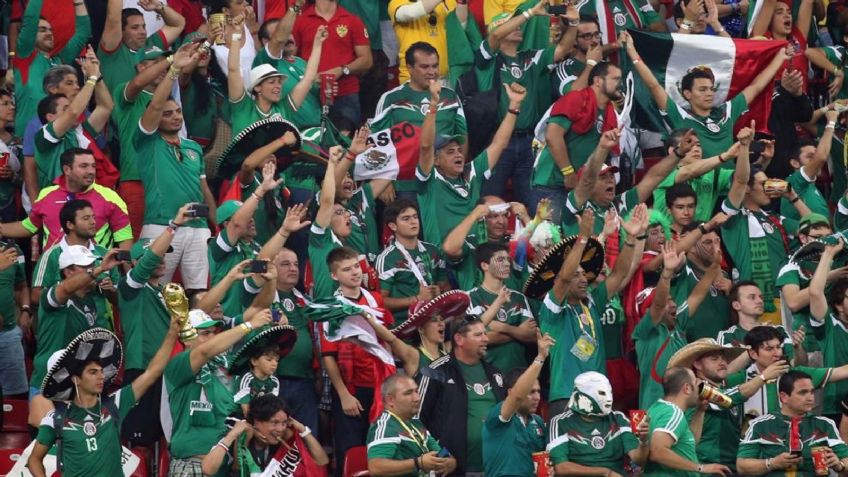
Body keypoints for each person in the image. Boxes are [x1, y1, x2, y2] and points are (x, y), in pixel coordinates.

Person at [27, 323, 178, 477]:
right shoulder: (55, 419)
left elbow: (152, 372)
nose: (101, 376)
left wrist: (172, 333)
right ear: (76, 379)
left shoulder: (115, 403)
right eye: (93, 372)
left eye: (101, 371)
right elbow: (34, 460)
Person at [539, 205, 643, 416]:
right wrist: (583, 238)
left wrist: (631, 239)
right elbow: (565, 277)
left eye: (583, 274)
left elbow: (619, 274)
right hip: (567, 395)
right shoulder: (551, 310)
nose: (583, 279)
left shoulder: (592, 303)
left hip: (599, 396)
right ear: (558, 281)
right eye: (576, 275)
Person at [476, 1, 578, 206]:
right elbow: (494, 36)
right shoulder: (488, 59)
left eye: (518, 24)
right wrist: (531, 12)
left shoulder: (530, 58)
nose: (519, 27)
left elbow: (564, 48)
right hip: (498, 142)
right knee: (490, 204)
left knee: (536, 207)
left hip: (529, 142)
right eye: (512, 24)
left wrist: (574, 22)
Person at [136, 42, 216, 292]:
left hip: (198, 228)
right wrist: (173, 71)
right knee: (155, 289)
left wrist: (214, 225)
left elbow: (204, 189)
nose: (176, 117)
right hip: (162, 224)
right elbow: (156, 105)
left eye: (178, 112)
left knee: (199, 292)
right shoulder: (146, 141)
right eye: (168, 113)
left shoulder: (193, 147)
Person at [164, 298, 274, 476]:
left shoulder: (223, 367)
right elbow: (204, 351)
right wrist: (249, 325)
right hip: (192, 466)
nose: (211, 337)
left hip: (224, 466)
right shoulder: (177, 365)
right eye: (204, 333)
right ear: (185, 338)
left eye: (212, 332)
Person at [417, 79, 526, 245]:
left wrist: (514, 106)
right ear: (436, 160)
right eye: (450, 152)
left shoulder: (472, 171)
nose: (458, 154)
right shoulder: (429, 180)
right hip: (444, 260)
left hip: (476, 256)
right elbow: (425, 147)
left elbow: (499, 144)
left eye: (459, 150)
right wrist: (433, 104)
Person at [118, 204, 191, 446]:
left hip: (168, 371)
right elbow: (147, 262)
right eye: (156, 257)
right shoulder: (130, 288)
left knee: (166, 440)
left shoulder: (166, 291)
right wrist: (174, 226)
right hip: (142, 368)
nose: (162, 260)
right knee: (140, 441)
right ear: (138, 262)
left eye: (165, 255)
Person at [28, 247, 122, 428]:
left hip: (77, 386)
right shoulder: (53, 295)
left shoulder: (91, 301)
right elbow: (65, 287)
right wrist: (99, 269)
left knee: (77, 446)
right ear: (68, 271)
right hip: (46, 384)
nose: (92, 269)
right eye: (85, 266)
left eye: (92, 264)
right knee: (48, 445)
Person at [666, 338, 789, 470]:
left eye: (724, 358)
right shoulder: (697, 388)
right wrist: (763, 377)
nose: (722, 362)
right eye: (714, 359)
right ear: (698, 365)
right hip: (707, 467)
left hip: (728, 466)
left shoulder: (722, 388)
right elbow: (726, 399)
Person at [321, 246, 391, 477]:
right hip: (352, 390)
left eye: (356, 267)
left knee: (382, 450)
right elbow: (328, 356)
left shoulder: (376, 299)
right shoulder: (330, 308)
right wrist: (343, 395)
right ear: (334, 275)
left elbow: (387, 341)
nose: (354, 273)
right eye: (346, 269)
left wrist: (388, 385)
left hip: (380, 386)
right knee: (351, 452)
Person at [370, 42, 467, 201]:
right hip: (406, 183)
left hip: (444, 181)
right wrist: (383, 181)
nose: (432, 72)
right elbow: (377, 142)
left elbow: (463, 136)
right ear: (409, 68)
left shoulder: (450, 97)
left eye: (435, 66)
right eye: (425, 67)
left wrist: (458, 173)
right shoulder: (391, 99)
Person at [634, 241, 721, 409]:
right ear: (647, 312)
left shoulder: (679, 324)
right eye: (667, 302)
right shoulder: (644, 333)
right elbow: (658, 306)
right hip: (655, 411)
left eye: (672, 299)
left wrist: (714, 266)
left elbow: (697, 295)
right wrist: (666, 272)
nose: (673, 305)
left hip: (684, 409)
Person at [417, 317, 506, 475]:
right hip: (454, 470)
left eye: (485, 333)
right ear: (459, 339)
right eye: (478, 335)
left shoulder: (495, 373)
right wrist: (442, 456)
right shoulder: (435, 371)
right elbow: (417, 423)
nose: (486, 338)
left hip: (495, 468)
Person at [244, 247, 319, 434]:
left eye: (295, 264)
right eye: (285, 264)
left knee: (307, 435)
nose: (293, 268)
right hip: (273, 380)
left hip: (304, 380)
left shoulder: (304, 300)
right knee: (276, 436)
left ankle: (308, 465)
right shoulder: (260, 297)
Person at [0, 148, 132, 250]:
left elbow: (125, 240)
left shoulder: (110, 197)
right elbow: (29, 227)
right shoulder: (46, 195)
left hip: (94, 273)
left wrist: (129, 281)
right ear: (67, 169)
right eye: (84, 166)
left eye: (93, 166)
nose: (91, 171)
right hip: (53, 273)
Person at [531, 63, 622, 210]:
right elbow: (552, 136)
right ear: (598, 81)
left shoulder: (610, 115)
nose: (620, 84)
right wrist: (568, 173)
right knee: (549, 233)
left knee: (575, 234)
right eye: (616, 79)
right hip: (552, 184)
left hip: (579, 189)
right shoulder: (575, 99)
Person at [228, 19, 328, 136]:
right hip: (243, 154)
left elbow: (308, 79)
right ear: (257, 87)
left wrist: (317, 44)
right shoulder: (242, 106)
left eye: (279, 82)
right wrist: (236, 35)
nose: (278, 86)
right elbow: (233, 70)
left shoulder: (283, 109)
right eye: (272, 82)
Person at [738, 370, 848, 475]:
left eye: (812, 392)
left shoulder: (825, 424)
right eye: (803, 393)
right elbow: (742, 467)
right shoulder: (760, 425)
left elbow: (846, 460)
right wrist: (772, 463)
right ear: (784, 397)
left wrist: (840, 465)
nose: (810, 398)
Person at [725, 325, 848, 418]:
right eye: (769, 349)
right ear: (753, 353)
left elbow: (841, 371)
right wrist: (763, 377)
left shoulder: (795, 374)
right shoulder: (741, 378)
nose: (777, 353)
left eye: (778, 347)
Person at [33, 48, 112, 192]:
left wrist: (97, 74)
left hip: (86, 201)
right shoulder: (42, 133)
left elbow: (106, 107)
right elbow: (73, 112)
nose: (77, 87)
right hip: (58, 205)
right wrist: (92, 79)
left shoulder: (80, 129)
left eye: (77, 83)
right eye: (70, 83)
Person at [548, 372, 650, 476]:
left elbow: (638, 460)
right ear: (583, 396)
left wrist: (644, 440)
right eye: (602, 393)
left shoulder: (618, 418)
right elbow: (561, 467)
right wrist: (605, 473)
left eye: (610, 392)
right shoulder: (560, 423)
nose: (609, 398)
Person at [482, 332, 555, 477]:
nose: (537, 397)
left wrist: (550, 469)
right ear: (510, 392)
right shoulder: (496, 417)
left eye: (538, 392)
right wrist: (540, 358)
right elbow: (517, 396)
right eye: (531, 391)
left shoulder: (538, 422)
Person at [201, 394, 329, 476]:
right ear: (257, 421)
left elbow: (322, 461)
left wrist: (302, 429)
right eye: (274, 422)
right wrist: (232, 435)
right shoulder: (240, 436)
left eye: (284, 423)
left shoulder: (285, 441)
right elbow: (208, 469)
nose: (280, 428)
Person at [12, 0, 90, 135]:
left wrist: (78, 2)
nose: (49, 33)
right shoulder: (24, 57)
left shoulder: (61, 60)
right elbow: (30, 20)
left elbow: (83, 33)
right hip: (28, 137)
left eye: (50, 30)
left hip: (60, 134)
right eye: (42, 30)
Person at [291, 0, 373, 124]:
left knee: (346, 141)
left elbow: (367, 60)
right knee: (313, 140)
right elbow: (289, 57)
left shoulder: (352, 20)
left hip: (346, 94)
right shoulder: (300, 20)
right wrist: (309, 78)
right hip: (310, 95)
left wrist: (342, 70)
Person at [644, 366, 731, 476]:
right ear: (687, 388)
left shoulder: (657, 408)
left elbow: (688, 444)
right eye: (696, 383)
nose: (699, 389)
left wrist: (699, 411)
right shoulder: (673, 413)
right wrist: (701, 467)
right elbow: (657, 451)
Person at [366, 374, 457, 477]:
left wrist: (451, 461)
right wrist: (418, 463)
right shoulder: (385, 426)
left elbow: (439, 452)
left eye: (417, 392)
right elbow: (376, 468)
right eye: (408, 393)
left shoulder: (415, 422)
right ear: (390, 400)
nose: (417, 398)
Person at [376, 198, 449, 325]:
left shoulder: (433, 251)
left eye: (415, 217)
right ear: (393, 226)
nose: (413, 222)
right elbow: (380, 301)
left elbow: (445, 285)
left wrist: (440, 292)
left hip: (432, 322)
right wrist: (416, 299)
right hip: (404, 326)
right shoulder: (387, 258)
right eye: (406, 218)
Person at [467, 242, 536, 373]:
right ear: (484, 265)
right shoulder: (472, 297)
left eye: (507, 259)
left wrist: (503, 328)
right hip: (488, 375)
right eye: (500, 259)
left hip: (520, 373)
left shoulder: (518, 297)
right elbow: (477, 338)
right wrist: (518, 331)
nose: (506, 264)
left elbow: (532, 336)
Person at [98, 0, 186, 91]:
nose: (143, 32)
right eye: (135, 28)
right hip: (118, 104)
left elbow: (178, 24)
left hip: (150, 104)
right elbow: (113, 18)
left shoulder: (152, 45)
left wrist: (159, 7)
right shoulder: (112, 52)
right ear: (121, 31)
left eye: (143, 27)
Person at [808, 240, 848, 418]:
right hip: (836, 407)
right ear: (839, 305)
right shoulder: (830, 326)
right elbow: (816, 292)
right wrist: (828, 255)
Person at [0, 239, 29, 400]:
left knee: (16, 397)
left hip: (8, 334)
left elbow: (21, 286)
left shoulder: (13, 251)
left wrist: (25, 310)